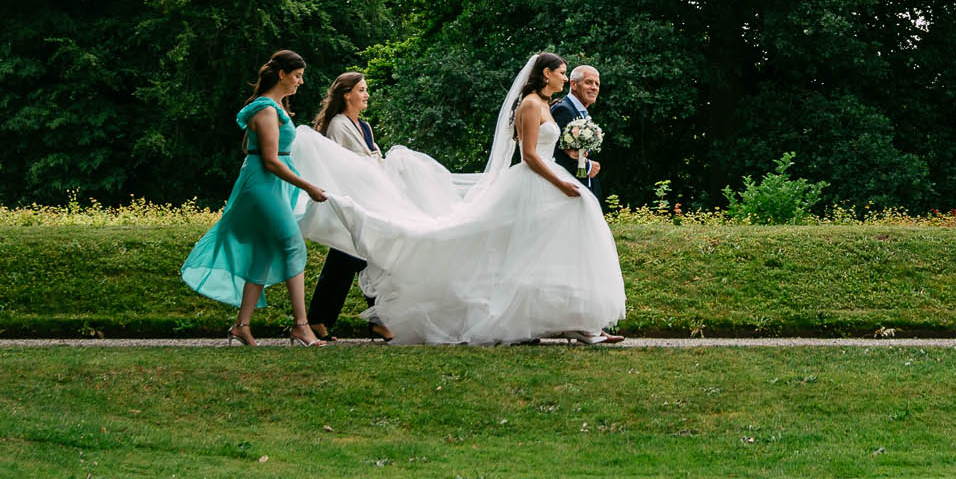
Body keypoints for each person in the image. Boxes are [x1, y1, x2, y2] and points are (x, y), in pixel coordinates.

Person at [297, 52, 626, 345]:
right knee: (519, 247)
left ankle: (577, 321)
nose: (565, 78)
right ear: (545, 74)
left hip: (551, 179)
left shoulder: (546, 106)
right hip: (535, 183)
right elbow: (529, 156)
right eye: (561, 72)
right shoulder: (529, 104)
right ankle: (544, 321)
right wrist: (562, 182)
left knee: (552, 246)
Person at [181, 49, 330, 347]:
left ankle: (241, 326)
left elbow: (250, 148)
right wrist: (307, 186)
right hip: (263, 183)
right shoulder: (265, 109)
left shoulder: (274, 108)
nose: (300, 82)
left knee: (263, 252)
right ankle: (301, 326)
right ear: (282, 75)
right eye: (297, 76)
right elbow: (270, 160)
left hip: (271, 184)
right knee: (293, 244)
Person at [305, 72, 394, 343]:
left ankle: (322, 320)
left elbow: (372, 158)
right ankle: (326, 320)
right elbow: (339, 164)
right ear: (347, 94)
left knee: (360, 257)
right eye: (362, 90)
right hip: (350, 201)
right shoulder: (337, 126)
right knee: (353, 256)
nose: (366, 95)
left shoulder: (364, 127)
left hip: (370, 200)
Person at [550, 64, 602, 191]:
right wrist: (588, 166)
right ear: (573, 85)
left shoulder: (581, 112)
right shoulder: (563, 109)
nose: (594, 87)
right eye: (589, 82)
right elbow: (555, 152)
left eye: (597, 84)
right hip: (567, 186)